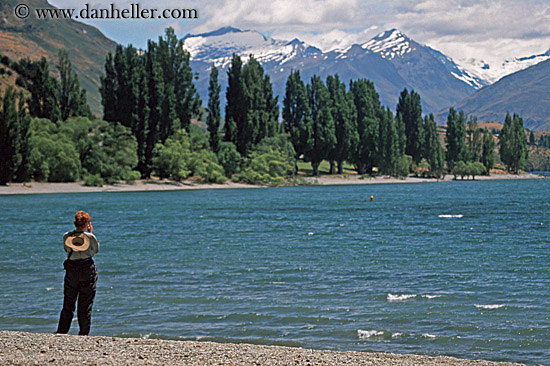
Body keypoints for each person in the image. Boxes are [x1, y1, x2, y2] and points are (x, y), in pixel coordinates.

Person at [56, 211, 99, 335]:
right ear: (86, 224)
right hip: (87, 268)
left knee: (68, 301)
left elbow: (67, 249)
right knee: (85, 303)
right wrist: (89, 234)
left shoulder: (66, 236)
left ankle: (62, 331)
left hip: (72, 269)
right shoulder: (90, 237)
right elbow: (95, 251)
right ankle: (83, 333)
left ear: (75, 223)